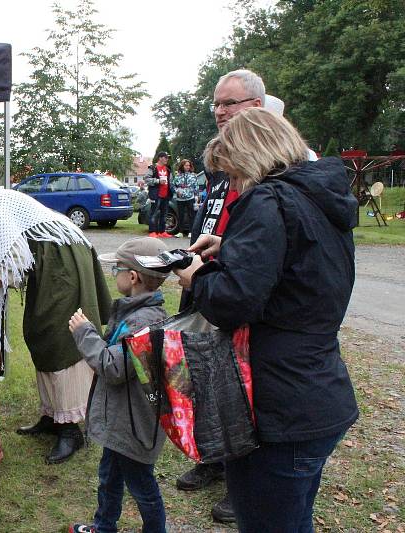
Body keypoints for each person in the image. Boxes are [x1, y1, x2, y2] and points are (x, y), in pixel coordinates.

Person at [175, 108, 358, 532]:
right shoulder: (317, 198)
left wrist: (196, 275)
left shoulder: (268, 199)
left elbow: (232, 302)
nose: (235, 186)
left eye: (235, 176)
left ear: (252, 157)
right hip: (316, 391)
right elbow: (301, 266)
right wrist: (233, 245)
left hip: (278, 406)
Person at [0, 189, 111, 464]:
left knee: (59, 334)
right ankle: (53, 416)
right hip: (49, 258)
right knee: (39, 331)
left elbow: (14, 264)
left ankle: (71, 429)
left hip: (63, 257)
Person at [175, 68, 267, 524]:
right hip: (204, 280)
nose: (219, 112)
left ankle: (238, 478)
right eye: (216, 104)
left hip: (234, 291)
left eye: (228, 103)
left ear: (256, 106)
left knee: (236, 388)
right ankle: (211, 457)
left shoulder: (269, 165)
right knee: (202, 380)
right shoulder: (221, 162)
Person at [67, 237, 169, 533]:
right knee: (109, 477)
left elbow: (113, 367)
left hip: (134, 425)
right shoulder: (137, 313)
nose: (115, 275)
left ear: (133, 276)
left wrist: (85, 333)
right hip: (122, 422)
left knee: (142, 487)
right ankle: (104, 526)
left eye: (117, 270)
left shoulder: (142, 323)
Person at [143, 152, 174, 238]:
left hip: (166, 195)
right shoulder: (153, 168)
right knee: (154, 213)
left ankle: (162, 231)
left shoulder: (168, 169)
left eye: (168, 158)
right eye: (166, 158)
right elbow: (146, 179)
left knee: (164, 214)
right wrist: (158, 181)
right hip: (156, 195)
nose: (167, 159)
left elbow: (170, 182)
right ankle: (152, 231)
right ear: (160, 158)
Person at [171, 160, 198, 238]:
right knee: (180, 215)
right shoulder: (178, 176)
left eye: (189, 165)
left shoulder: (193, 175)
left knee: (191, 215)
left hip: (190, 197)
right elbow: (173, 185)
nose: (188, 167)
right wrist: (177, 191)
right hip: (180, 199)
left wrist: (196, 196)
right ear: (182, 166)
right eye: (186, 165)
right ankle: (181, 232)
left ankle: (191, 232)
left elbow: (196, 186)